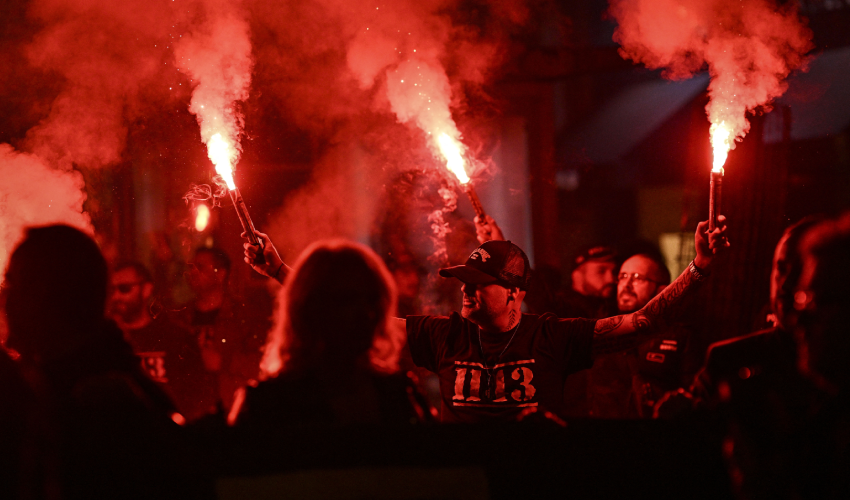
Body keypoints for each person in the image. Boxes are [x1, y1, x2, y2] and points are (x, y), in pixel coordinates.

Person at [244, 217, 729, 422]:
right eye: (464, 279)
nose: (466, 289)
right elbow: (352, 316)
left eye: (480, 282)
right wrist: (278, 270)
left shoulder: (552, 335)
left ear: (516, 293)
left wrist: (699, 269)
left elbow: (640, 324)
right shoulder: (442, 334)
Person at [3, 225, 190, 499]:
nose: (4, 299)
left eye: (10, 284)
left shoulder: (99, 406)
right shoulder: (106, 381)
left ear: (39, 292)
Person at [229, 239, 432, 428]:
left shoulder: (397, 396)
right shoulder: (267, 405)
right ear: (313, 310)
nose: (366, 313)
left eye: (371, 299)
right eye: (347, 300)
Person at [109, 261, 217, 421]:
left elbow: (197, 396)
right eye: (112, 290)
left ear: (146, 290)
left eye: (124, 288)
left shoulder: (176, 337)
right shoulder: (107, 341)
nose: (116, 296)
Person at [175, 247, 272, 410]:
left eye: (200, 267)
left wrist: (224, 362)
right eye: (191, 266)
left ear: (220, 274)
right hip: (190, 408)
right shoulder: (181, 317)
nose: (192, 272)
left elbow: (262, 361)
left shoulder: (244, 316)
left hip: (230, 406)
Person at [586, 252, 677, 418]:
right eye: (622, 276)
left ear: (661, 289)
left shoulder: (678, 335)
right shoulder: (601, 329)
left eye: (637, 278)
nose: (626, 285)